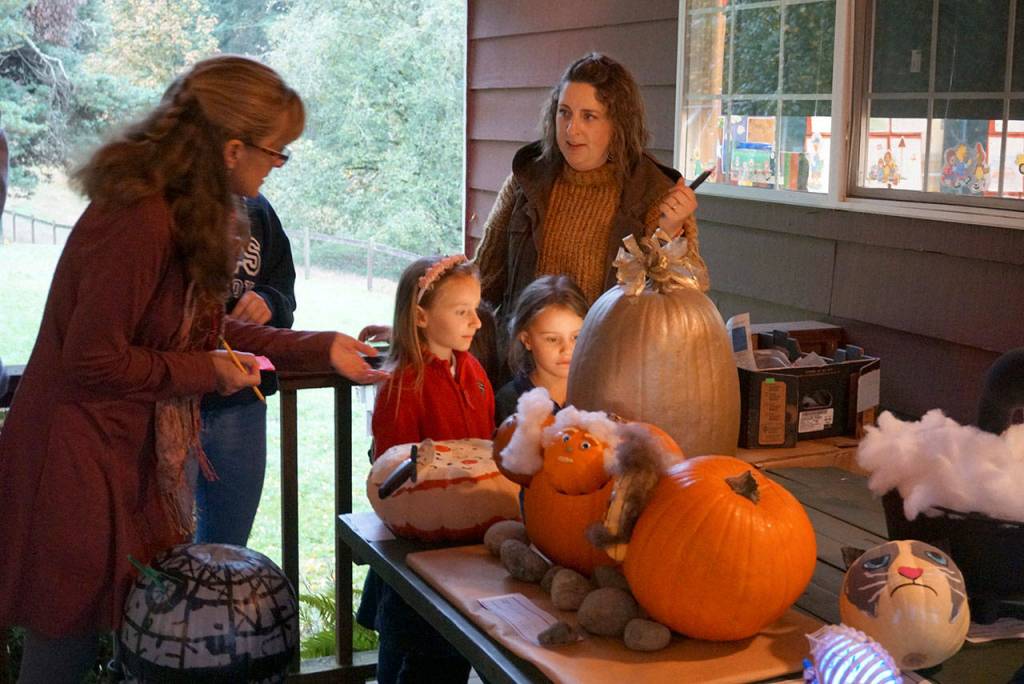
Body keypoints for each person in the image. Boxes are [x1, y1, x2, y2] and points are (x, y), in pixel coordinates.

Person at [0, 55, 386, 682]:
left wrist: (320, 348)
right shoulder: (137, 216)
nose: (278, 165)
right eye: (277, 151)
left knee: (129, 641)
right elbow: (92, 358)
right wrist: (206, 372)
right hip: (74, 463)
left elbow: (203, 331)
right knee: (62, 650)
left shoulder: (180, 209)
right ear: (233, 149)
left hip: (120, 454)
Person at [473, 52, 710, 316]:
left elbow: (681, 304)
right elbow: (482, 284)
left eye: (588, 116)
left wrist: (668, 236)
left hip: (611, 343)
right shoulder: (527, 180)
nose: (571, 129)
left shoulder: (654, 193)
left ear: (617, 124)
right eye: (564, 113)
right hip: (523, 342)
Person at [358, 255, 494, 684]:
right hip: (415, 553)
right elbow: (395, 475)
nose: (476, 322)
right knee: (409, 656)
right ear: (420, 317)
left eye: (476, 309)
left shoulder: (473, 371)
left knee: (451, 657)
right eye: (461, 311)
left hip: (466, 546)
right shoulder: (402, 386)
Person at [194, 193, 296, 547]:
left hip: (241, 404)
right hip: (169, 401)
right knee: (164, 551)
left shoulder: (261, 210)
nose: (275, 167)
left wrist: (269, 301)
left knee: (226, 548)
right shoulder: (166, 205)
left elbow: (285, 294)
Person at [494, 274, 588, 425]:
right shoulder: (509, 402)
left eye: (576, 337)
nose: (567, 349)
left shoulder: (594, 396)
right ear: (527, 340)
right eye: (552, 339)